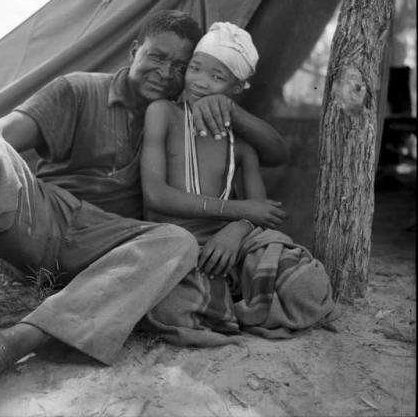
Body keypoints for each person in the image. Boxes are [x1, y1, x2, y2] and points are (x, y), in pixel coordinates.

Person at [0, 11, 288, 416]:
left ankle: (4, 345)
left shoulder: (183, 118)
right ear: (134, 51)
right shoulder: (79, 90)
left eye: (180, 67)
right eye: (156, 57)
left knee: (176, 241)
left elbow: (270, 154)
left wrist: (240, 212)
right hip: (46, 218)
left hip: (112, 245)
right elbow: (1, 131)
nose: (166, 73)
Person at [140, 22, 337, 346]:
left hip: (229, 243)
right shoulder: (162, 113)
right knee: (168, 305)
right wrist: (239, 210)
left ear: (236, 87)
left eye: (217, 77)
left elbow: (260, 212)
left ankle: (228, 304)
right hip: (176, 243)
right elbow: (155, 195)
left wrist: (236, 229)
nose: (200, 83)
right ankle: (241, 303)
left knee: (308, 285)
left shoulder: (240, 144)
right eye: (195, 69)